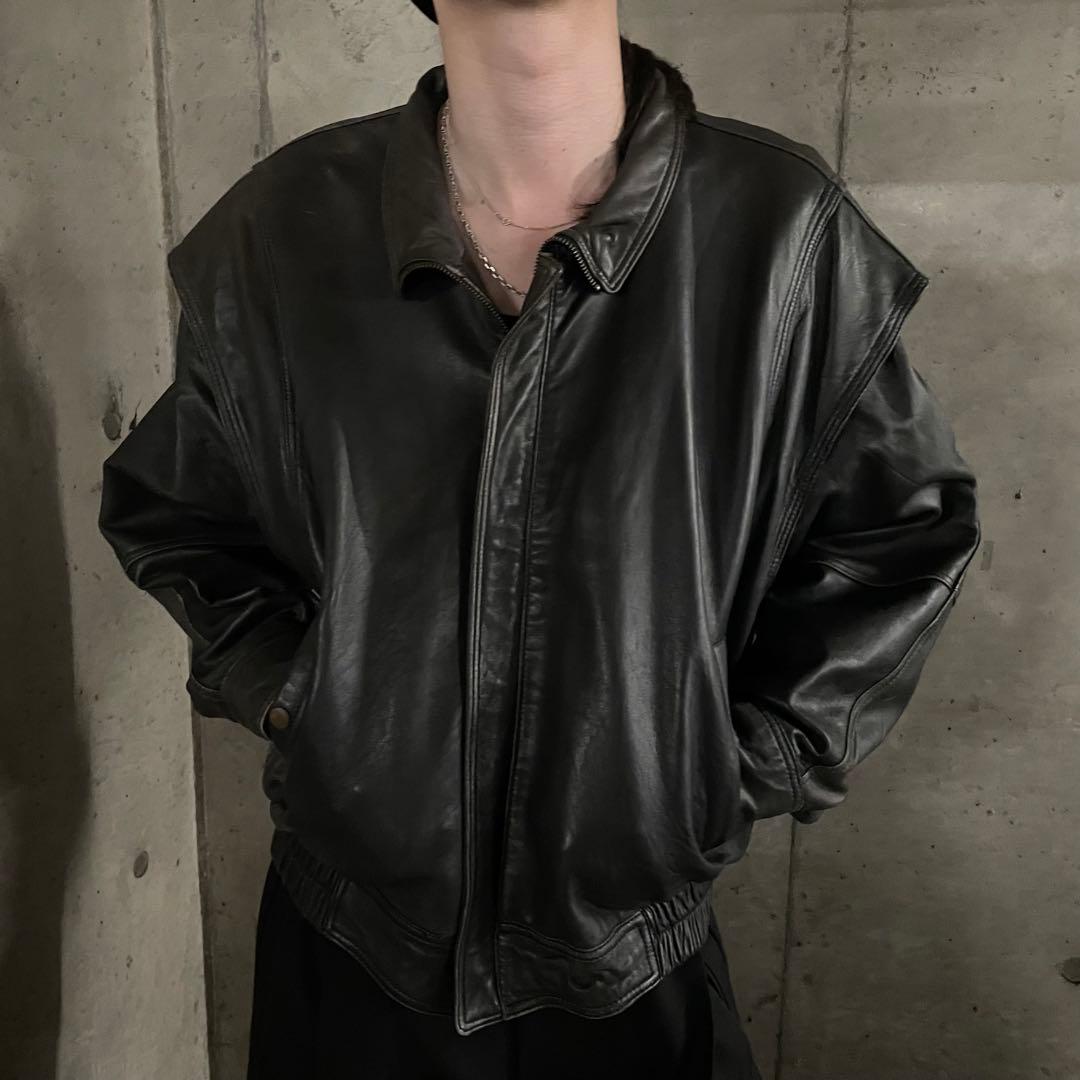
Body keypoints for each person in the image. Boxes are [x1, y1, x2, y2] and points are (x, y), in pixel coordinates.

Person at [97, 0, 982, 1076]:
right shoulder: (283, 229)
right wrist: (299, 699)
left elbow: (899, 538)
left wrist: (719, 766)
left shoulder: (781, 237)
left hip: (637, 964)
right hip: (352, 948)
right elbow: (179, 512)